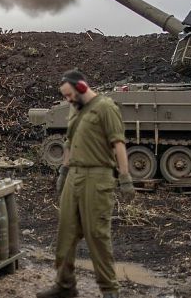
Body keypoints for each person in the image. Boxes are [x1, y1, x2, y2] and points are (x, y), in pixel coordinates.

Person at [37, 69, 136, 298]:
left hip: (98, 176)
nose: (68, 99)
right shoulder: (75, 109)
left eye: (70, 94)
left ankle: (110, 290)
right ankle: (65, 285)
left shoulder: (106, 108)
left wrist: (125, 177)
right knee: (66, 231)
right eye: (65, 96)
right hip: (75, 175)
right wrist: (63, 170)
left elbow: (118, 143)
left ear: (81, 87)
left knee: (96, 234)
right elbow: (70, 141)